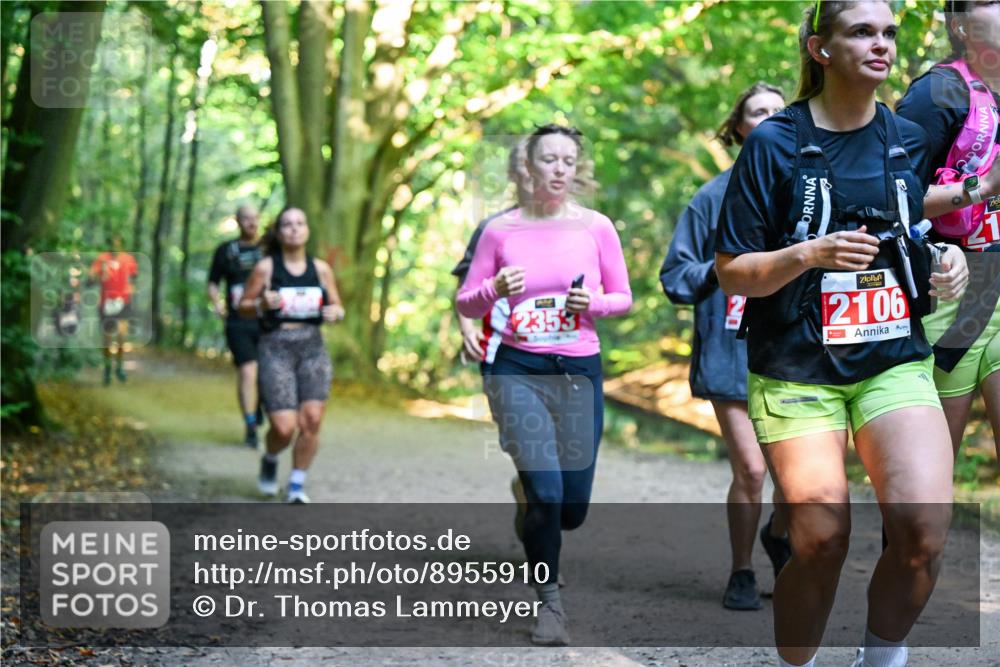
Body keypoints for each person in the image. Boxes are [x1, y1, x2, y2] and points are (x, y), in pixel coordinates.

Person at [714, 2, 970, 666]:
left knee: (923, 528)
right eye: (861, 31)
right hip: (797, 367)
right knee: (822, 538)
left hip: (892, 359)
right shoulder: (775, 143)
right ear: (820, 49)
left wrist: (947, 260)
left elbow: (913, 230)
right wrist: (807, 254)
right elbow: (733, 273)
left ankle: (878, 659)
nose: (880, 43)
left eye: (887, 32)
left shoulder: (907, 137)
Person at [457, 124, 631, 646]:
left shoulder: (597, 227)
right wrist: (492, 289)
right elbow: (466, 301)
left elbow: (622, 296)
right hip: (517, 369)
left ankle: (528, 496)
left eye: (567, 160)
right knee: (549, 493)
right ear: (528, 167)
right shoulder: (500, 231)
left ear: (577, 168)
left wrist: (592, 305)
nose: (558, 168)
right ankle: (550, 605)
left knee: (571, 510)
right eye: (548, 159)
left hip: (578, 370)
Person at [660, 81, 791, 611]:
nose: (768, 119)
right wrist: (723, 272)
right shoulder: (711, 198)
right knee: (752, 469)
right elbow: (676, 275)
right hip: (729, 352)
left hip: (793, 353)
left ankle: (778, 536)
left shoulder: (806, 189)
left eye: (779, 112)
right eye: (757, 112)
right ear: (738, 129)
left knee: (795, 477)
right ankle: (742, 570)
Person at [896, 0, 1000, 460]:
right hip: (951, 299)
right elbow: (890, 201)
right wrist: (984, 187)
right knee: (930, 480)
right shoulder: (936, 93)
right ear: (959, 25)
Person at [239, 207, 345, 504]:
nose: (294, 229)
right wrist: (261, 302)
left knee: (311, 420)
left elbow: (338, 306)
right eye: (287, 224)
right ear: (279, 232)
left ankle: (297, 484)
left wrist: (335, 312)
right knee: (284, 428)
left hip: (312, 347)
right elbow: (243, 306)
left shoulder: (321, 269)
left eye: (300, 223)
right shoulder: (266, 268)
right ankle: (271, 456)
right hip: (275, 347)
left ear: (308, 230)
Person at [208, 204, 264, 448]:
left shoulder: (270, 250)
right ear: (238, 221)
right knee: (248, 371)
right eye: (246, 219)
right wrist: (217, 304)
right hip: (238, 322)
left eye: (255, 219)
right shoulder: (226, 251)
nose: (251, 223)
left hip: (267, 321)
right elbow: (212, 282)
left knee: (267, 373)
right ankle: (250, 425)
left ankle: (259, 405)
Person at [89, 234, 138, 385]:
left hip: (123, 302)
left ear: (121, 244)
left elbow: (134, 278)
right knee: (107, 338)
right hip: (106, 302)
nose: (115, 244)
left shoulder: (128, 259)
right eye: (112, 241)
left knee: (122, 336)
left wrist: (130, 292)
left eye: (118, 242)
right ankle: (107, 369)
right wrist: (99, 275)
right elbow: (91, 279)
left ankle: (120, 367)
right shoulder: (102, 259)